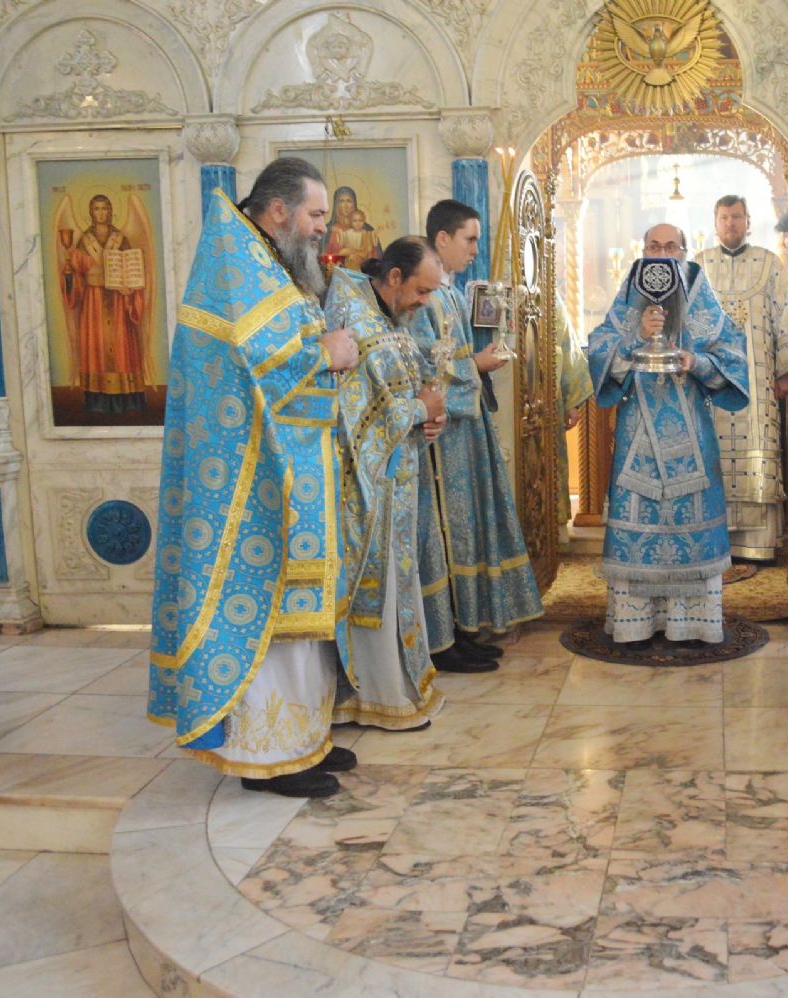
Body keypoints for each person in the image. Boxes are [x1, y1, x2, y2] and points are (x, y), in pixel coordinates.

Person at [148, 157, 361, 798]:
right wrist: (326, 352)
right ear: (277, 211)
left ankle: (301, 741)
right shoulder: (235, 263)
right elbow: (254, 366)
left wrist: (327, 354)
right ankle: (264, 759)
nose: (323, 227)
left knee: (297, 627)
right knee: (264, 621)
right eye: (316, 214)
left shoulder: (265, 260)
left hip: (289, 477)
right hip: (249, 486)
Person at [588, 223, 750, 646]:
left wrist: (697, 362)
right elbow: (600, 347)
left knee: (689, 520)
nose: (662, 254)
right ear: (643, 251)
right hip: (638, 431)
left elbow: (733, 355)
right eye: (654, 246)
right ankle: (636, 624)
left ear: (684, 251)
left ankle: (690, 623)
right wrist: (636, 337)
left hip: (691, 431)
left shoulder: (700, 294)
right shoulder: (631, 292)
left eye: (671, 247)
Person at [412, 199, 543, 671]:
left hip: (464, 434)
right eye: (469, 240)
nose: (474, 250)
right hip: (440, 438)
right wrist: (478, 365)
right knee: (445, 534)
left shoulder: (448, 291)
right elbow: (422, 367)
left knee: (464, 532)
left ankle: (464, 627)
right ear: (442, 238)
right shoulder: (424, 294)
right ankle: (443, 639)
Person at [325, 238, 449, 730]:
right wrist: (419, 410)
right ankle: (373, 695)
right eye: (421, 291)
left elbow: (406, 390)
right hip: (364, 489)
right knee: (376, 588)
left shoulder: (391, 318)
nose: (425, 302)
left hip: (397, 481)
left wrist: (429, 418)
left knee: (399, 583)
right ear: (394, 277)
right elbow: (351, 419)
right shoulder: (353, 318)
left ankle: (400, 684)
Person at [692, 195, 788, 561]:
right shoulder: (698, 265)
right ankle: (711, 540)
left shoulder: (770, 263)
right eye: (724, 217)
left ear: (748, 222)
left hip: (758, 378)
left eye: (736, 217)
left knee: (757, 449)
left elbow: (785, 317)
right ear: (715, 222)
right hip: (711, 378)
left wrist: (785, 371)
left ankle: (757, 545)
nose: (730, 223)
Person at [62, 193, 148, 414]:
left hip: (119, 300)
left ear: (111, 211)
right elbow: (77, 277)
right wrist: (70, 273)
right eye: (97, 209)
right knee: (96, 348)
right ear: (90, 213)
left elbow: (131, 267)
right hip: (94, 303)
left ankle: (126, 400)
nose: (101, 213)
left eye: (105, 208)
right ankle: (98, 400)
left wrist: (130, 288)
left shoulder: (120, 239)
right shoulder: (84, 241)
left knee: (121, 347)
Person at [556, 294, 593, 527]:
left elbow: (567, 344)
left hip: (547, 402)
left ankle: (555, 528)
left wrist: (571, 401)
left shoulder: (548, 295)